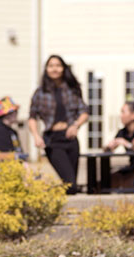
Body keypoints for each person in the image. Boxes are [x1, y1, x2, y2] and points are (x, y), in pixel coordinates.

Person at [28, 55, 89, 194]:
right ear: (46, 69)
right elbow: (32, 117)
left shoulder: (72, 89)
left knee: (71, 185)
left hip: (71, 139)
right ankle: (49, 192)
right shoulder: (40, 92)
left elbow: (84, 111)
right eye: (51, 66)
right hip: (53, 140)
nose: (54, 69)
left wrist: (76, 125)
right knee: (70, 184)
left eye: (58, 65)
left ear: (63, 68)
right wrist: (36, 136)